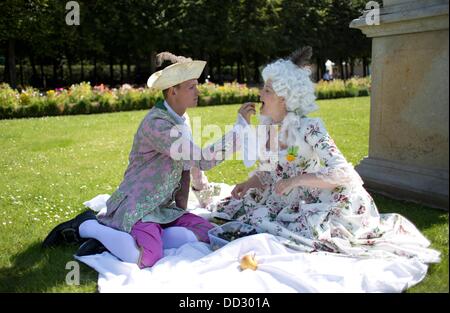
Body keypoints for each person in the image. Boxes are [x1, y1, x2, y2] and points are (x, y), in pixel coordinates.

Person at [209, 46, 440, 263]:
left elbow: (342, 171)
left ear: (284, 98)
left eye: (267, 90)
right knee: (250, 213)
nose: (260, 94)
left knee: (273, 222)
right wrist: (249, 182)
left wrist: (295, 180)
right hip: (289, 196)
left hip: (321, 197)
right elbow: (270, 171)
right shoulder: (269, 128)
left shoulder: (310, 127)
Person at [42, 52, 256, 268]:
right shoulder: (158, 125)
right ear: (173, 91)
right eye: (191, 87)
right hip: (140, 205)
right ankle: (89, 226)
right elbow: (201, 159)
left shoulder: (181, 118)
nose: (197, 91)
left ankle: (118, 241)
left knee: (207, 232)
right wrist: (239, 129)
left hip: (163, 207)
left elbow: (190, 162)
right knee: (148, 258)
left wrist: (204, 194)